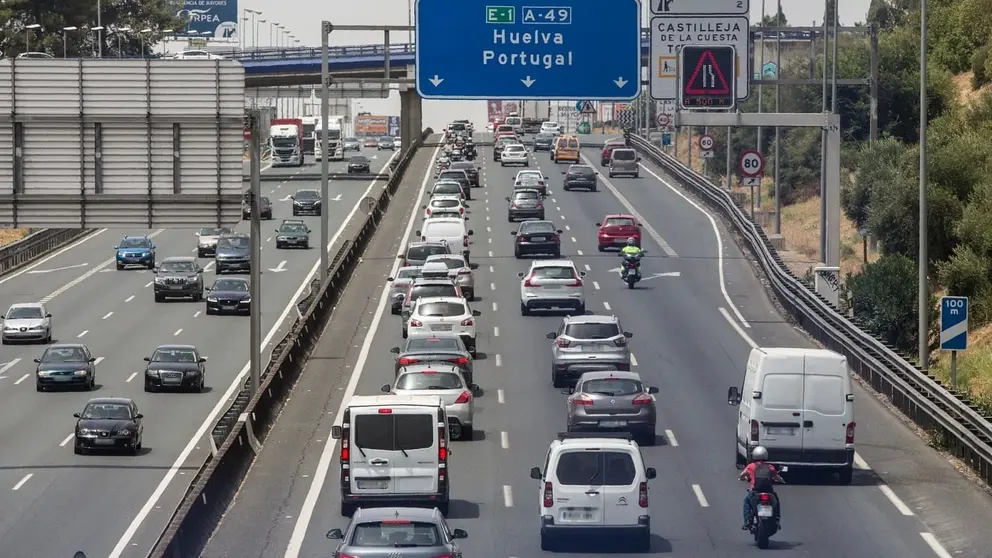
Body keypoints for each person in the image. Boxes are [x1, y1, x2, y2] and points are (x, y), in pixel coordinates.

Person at [738, 446, 784, 530]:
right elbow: (777, 477)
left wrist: (742, 478)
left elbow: (742, 475)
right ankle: (777, 519)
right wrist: (781, 480)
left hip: (755, 492)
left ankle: (747, 520)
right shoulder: (770, 467)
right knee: (776, 502)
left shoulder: (751, 466)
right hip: (769, 492)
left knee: (747, 501)